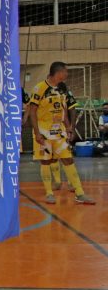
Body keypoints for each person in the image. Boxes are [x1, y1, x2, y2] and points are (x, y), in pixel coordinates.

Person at [28, 62, 95, 204]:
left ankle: (80, 193)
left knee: (68, 160)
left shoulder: (62, 88)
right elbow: (32, 111)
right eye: (65, 71)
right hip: (44, 133)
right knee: (46, 162)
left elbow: (63, 110)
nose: (67, 74)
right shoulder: (40, 88)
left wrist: (69, 127)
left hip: (60, 133)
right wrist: (37, 133)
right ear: (58, 73)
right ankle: (49, 193)